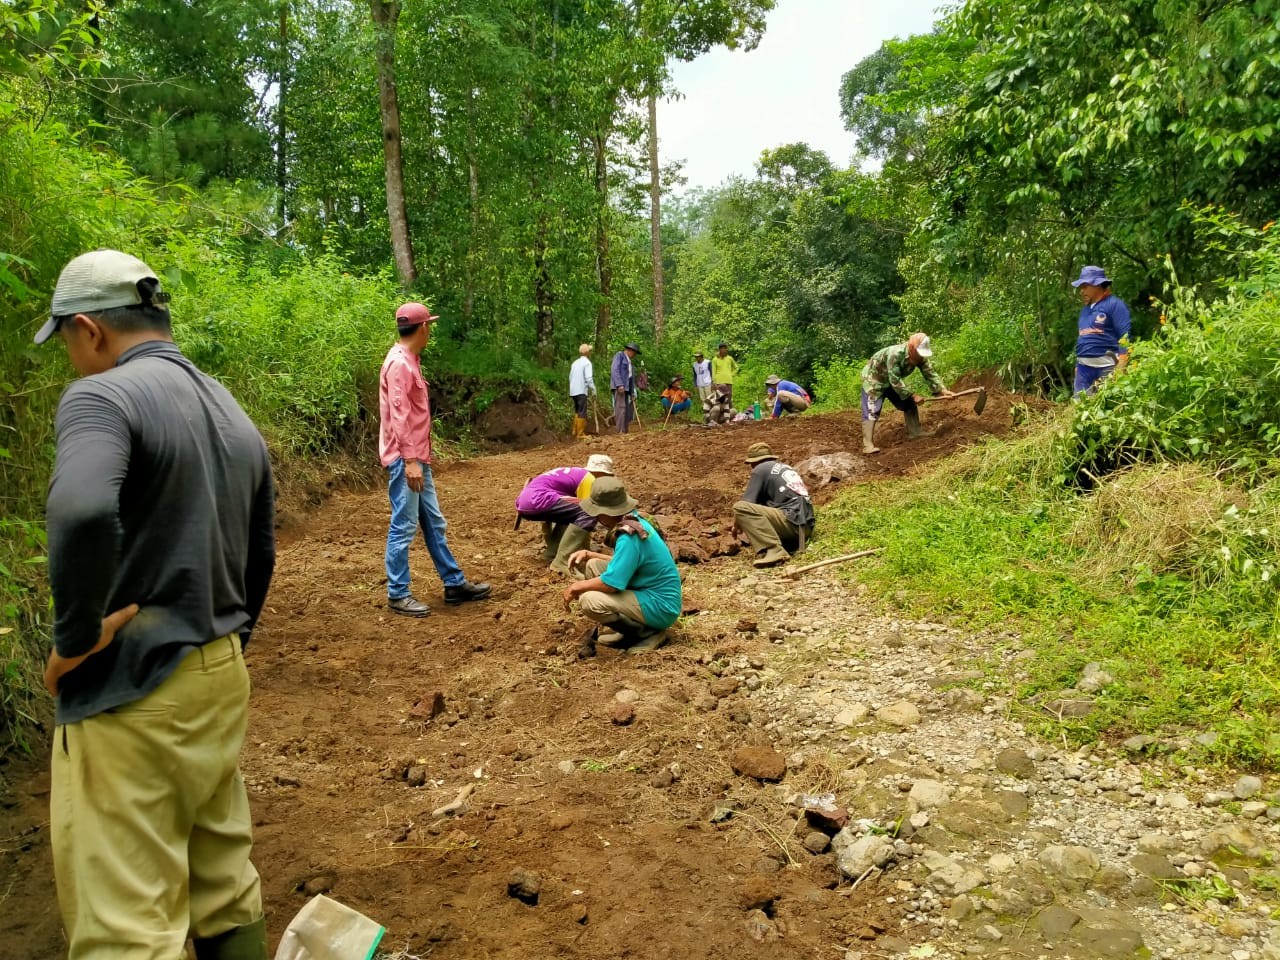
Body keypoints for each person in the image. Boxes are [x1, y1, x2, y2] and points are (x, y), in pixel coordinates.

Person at [35, 249, 275, 959]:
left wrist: (76, 639)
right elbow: (260, 547)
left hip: (132, 692)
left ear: (90, 329)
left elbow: (80, 512)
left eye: (69, 343)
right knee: (225, 886)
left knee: (128, 929)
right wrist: (231, 639)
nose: (73, 360)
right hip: (218, 673)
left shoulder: (102, 397)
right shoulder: (226, 404)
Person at [381, 302, 491, 616]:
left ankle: (454, 583)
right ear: (423, 328)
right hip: (407, 460)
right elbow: (400, 416)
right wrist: (411, 460)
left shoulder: (410, 360)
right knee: (403, 525)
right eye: (429, 325)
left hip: (417, 458)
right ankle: (397, 593)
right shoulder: (400, 363)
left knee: (433, 522)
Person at [563, 476, 683, 655]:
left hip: (661, 605)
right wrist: (589, 554)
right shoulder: (634, 520)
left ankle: (647, 633)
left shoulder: (628, 537)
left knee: (589, 600)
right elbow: (625, 564)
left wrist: (577, 587)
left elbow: (612, 584)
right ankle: (629, 630)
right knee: (594, 565)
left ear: (607, 512)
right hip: (650, 591)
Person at [516, 454, 616, 575]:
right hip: (538, 500)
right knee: (589, 512)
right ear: (600, 473)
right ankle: (562, 561)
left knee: (573, 513)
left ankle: (553, 551)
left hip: (526, 502)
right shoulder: (590, 478)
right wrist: (586, 550)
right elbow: (589, 512)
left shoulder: (576, 473)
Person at [859, 333, 954, 455]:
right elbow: (895, 380)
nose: (920, 356)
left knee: (908, 403)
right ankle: (868, 446)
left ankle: (915, 432)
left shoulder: (920, 356)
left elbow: (930, 373)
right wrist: (913, 395)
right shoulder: (895, 354)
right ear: (912, 347)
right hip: (874, 379)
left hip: (891, 380)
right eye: (919, 353)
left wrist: (942, 390)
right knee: (872, 409)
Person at [731, 442, 816, 569]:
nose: (751, 468)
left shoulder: (760, 469)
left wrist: (736, 524)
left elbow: (747, 504)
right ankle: (784, 547)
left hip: (791, 521)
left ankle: (775, 550)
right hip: (805, 526)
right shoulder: (783, 468)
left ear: (754, 462)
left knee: (740, 507)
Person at [1071, 264, 1131, 395]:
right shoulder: (1085, 311)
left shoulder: (1114, 305)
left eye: (1085, 286)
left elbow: (1125, 336)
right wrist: (1078, 365)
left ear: (1097, 285)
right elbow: (1083, 337)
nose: (1082, 291)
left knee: (1109, 405)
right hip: (1084, 369)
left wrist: (1122, 364)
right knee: (1080, 408)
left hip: (1108, 367)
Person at [610, 342, 640, 434]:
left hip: (627, 388)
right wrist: (619, 384)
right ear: (630, 350)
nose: (634, 355)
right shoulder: (619, 356)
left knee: (627, 410)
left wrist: (632, 393)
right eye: (634, 353)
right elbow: (614, 370)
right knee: (620, 408)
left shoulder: (630, 362)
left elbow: (630, 378)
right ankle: (620, 431)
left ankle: (625, 430)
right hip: (620, 387)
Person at [568, 343, 596, 438]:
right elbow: (588, 378)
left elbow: (570, 376)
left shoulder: (575, 363)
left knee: (577, 410)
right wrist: (593, 390)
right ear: (588, 353)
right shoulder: (587, 363)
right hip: (581, 390)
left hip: (573, 390)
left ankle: (574, 431)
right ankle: (580, 434)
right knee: (582, 411)